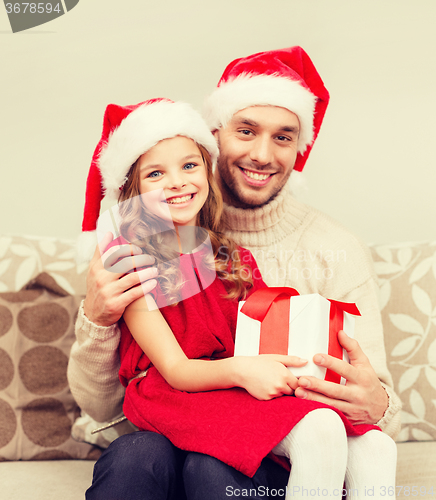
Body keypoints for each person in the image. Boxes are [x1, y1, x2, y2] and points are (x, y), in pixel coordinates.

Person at [68, 47, 402, 499]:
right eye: (246, 131)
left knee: (231, 463)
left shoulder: (243, 255)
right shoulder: (133, 256)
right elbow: (120, 398)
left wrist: (370, 402)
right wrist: (97, 316)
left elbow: (266, 325)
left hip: (243, 419)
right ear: (216, 136)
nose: (262, 154)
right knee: (137, 456)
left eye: (283, 137)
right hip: (170, 410)